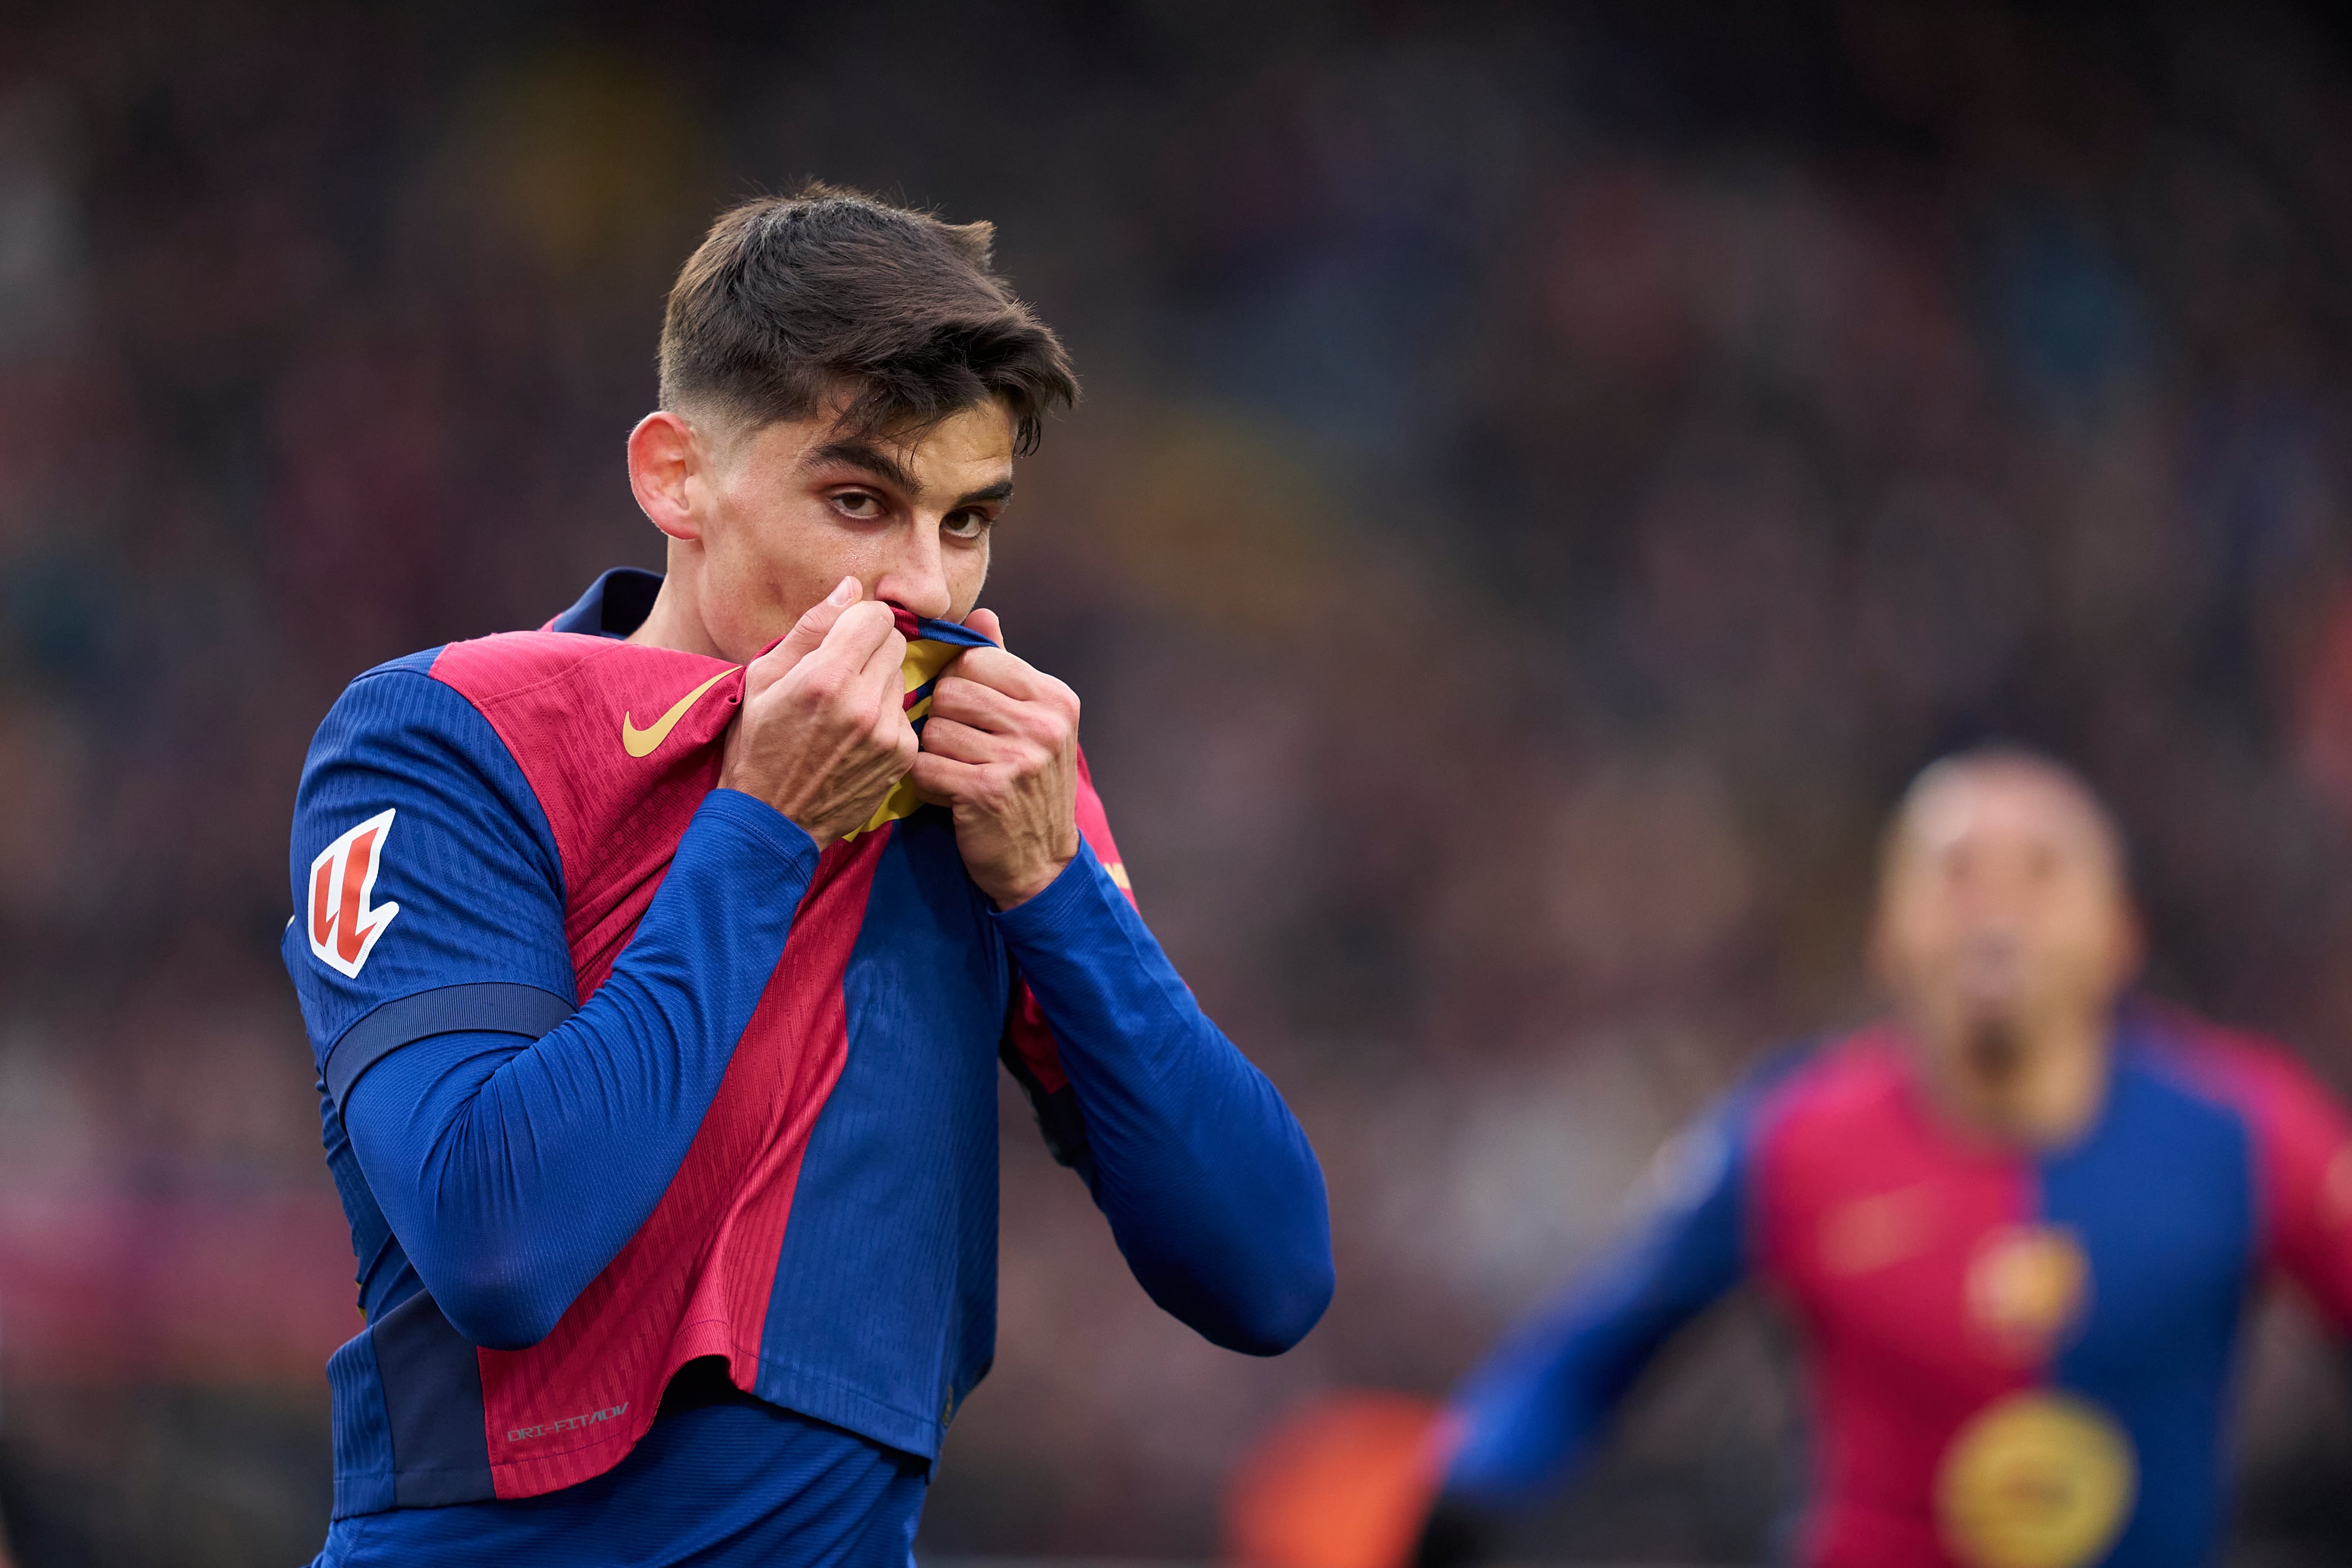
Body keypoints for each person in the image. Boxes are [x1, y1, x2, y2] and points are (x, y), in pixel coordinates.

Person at [282, 186, 1333, 1567]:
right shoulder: (444, 735)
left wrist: (1056, 888)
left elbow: (1265, 1273)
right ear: (675, 476)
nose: (924, 590)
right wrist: (764, 828)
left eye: (966, 522)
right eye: (859, 500)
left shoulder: (986, 779)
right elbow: (498, 1240)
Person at [1381, 748, 2352, 1568]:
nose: (1996, 908)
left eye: (2042, 871)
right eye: (1957, 873)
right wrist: (1457, 1500)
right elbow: (1580, 1356)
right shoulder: (1791, 1139)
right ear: (1890, 933)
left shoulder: (2245, 1129)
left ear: (2119, 935)